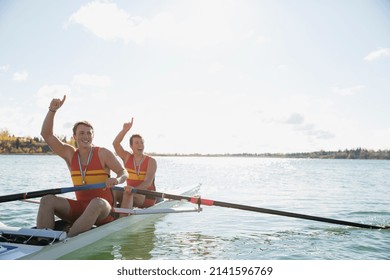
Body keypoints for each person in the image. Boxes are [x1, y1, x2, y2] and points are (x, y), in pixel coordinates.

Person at [37, 95, 128, 237]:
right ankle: (42, 239)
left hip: (103, 210)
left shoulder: (103, 153)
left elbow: (124, 172)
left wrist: (117, 180)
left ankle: (68, 240)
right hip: (81, 209)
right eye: (81, 133)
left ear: (93, 136)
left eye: (88, 133)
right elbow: (46, 135)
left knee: (96, 203)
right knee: (46, 200)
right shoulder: (69, 154)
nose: (85, 136)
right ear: (74, 136)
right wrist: (52, 110)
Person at [112, 118, 157, 216]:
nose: (140, 145)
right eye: (137, 143)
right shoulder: (127, 157)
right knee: (113, 190)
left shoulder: (151, 161)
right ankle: (111, 215)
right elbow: (115, 144)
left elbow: (147, 182)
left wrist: (133, 189)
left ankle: (122, 220)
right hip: (131, 192)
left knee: (128, 193)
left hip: (147, 197)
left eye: (141, 142)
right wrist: (125, 130)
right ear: (131, 146)